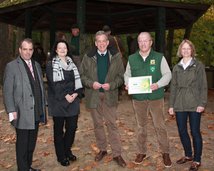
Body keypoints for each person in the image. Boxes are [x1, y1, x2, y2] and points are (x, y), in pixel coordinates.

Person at [124, 32, 172, 167]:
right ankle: (141, 152)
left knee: (160, 125)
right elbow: (127, 74)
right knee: (141, 126)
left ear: (151, 42)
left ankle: (165, 152)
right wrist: (127, 83)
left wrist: (158, 84)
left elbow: (168, 74)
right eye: (140, 41)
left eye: (146, 41)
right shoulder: (132, 58)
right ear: (138, 43)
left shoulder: (159, 57)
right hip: (138, 98)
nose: (143, 43)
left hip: (155, 97)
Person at [79, 30, 126, 167]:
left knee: (112, 124)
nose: (101, 44)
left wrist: (111, 85)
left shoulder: (116, 56)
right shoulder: (88, 57)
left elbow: (121, 77)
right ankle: (103, 149)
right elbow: (82, 76)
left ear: (107, 42)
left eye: (103, 41)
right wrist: (91, 83)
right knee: (98, 124)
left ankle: (117, 154)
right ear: (95, 43)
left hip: (109, 95)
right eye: (98, 41)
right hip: (93, 95)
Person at [3, 38, 46, 171]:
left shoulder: (37, 65)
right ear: (20, 50)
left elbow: (40, 87)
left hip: (36, 110)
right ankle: (22, 168)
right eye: (25, 49)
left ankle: (28, 167)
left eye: (30, 49)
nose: (27, 52)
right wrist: (11, 110)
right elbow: (7, 90)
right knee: (22, 143)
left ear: (33, 50)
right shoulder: (11, 66)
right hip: (21, 111)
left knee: (31, 143)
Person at [168, 39, 207, 171]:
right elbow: (173, 87)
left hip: (195, 103)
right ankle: (188, 155)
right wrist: (171, 105)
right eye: (183, 49)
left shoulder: (198, 66)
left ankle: (197, 159)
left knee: (195, 131)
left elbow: (203, 86)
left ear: (192, 50)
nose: (185, 51)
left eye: (188, 49)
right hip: (179, 103)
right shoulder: (176, 67)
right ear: (180, 50)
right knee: (182, 130)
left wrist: (202, 103)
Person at [46, 40, 83, 167]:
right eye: (59, 48)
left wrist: (76, 93)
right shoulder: (51, 64)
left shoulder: (72, 64)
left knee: (72, 128)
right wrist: (65, 95)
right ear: (56, 50)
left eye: (64, 48)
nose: (62, 50)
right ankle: (61, 155)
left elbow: (77, 81)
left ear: (67, 50)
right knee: (58, 130)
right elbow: (53, 83)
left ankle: (67, 150)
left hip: (73, 99)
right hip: (58, 101)